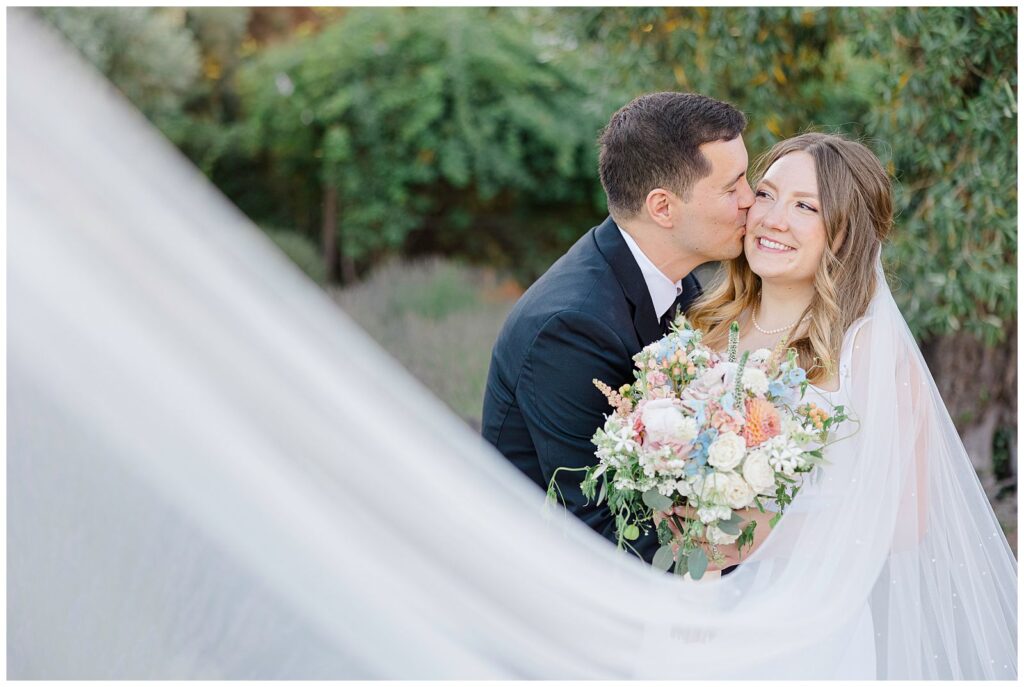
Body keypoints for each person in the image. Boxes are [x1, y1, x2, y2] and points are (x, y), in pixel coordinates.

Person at [482, 92, 754, 565]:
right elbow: (599, 528)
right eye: (732, 189)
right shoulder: (569, 328)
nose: (751, 201)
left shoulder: (675, 279)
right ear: (663, 208)